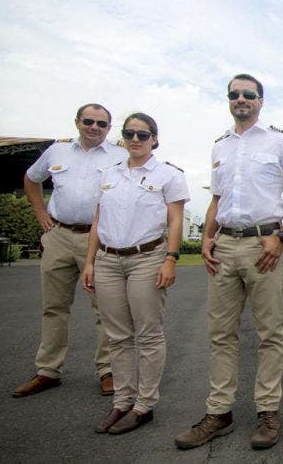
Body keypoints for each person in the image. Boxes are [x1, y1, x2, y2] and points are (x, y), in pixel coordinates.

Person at [174, 74, 283, 451]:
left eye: (248, 95)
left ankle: (267, 410)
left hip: (262, 246)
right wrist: (206, 237)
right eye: (234, 94)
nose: (241, 99)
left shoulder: (281, 141)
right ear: (229, 100)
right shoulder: (220, 146)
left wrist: (282, 236)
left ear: (261, 101)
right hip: (225, 247)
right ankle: (219, 412)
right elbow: (217, 198)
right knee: (221, 334)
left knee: (270, 333)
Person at [81, 112, 189, 434]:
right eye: (130, 134)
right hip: (109, 260)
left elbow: (175, 221)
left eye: (143, 135)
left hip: (147, 258)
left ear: (155, 139)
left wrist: (171, 259)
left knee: (148, 334)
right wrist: (89, 262)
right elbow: (98, 223)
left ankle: (144, 405)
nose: (135, 140)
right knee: (117, 336)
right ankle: (122, 402)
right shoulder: (109, 174)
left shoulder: (168, 175)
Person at [13, 103, 128, 398]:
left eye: (102, 124)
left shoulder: (121, 155)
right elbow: (31, 178)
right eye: (88, 121)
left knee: (105, 308)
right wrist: (40, 213)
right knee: (54, 307)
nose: (94, 127)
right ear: (77, 122)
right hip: (59, 235)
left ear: (109, 128)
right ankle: (48, 370)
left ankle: (107, 370)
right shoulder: (57, 151)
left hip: (98, 238)